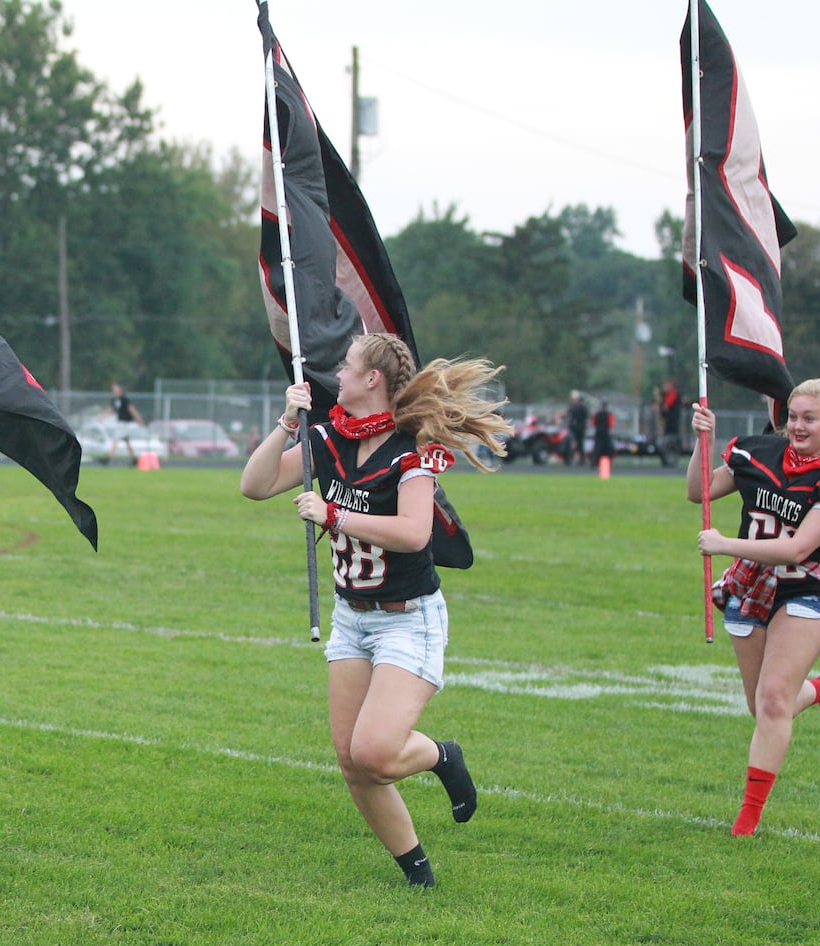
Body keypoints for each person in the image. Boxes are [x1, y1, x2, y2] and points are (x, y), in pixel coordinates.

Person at [240, 332, 511, 887]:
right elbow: (255, 484)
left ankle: (442, 757)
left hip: (408, 618)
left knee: (377, 753)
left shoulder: (411, 446)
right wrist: (287, 423)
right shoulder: (327, 437)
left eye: (348, 364)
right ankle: (418, 875)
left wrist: (335, 516)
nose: (337, 372)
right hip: (353, 617)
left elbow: (415, 534)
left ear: (373, 380)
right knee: (352, 761)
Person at [688, 381, 820, 837]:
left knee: (775, 700)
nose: (797, 426)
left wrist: (725, 544)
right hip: (751, 581)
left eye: (809, 418)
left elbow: (798, 550)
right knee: (761, 707)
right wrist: (702, 441)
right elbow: (698, 491)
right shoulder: (757, 449)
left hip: (808, 583)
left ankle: (748, 816)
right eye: (794, 416)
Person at [102, 383, 145, 465]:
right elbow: (112, 409)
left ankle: (107, 458)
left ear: (120, 390)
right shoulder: (116, 400)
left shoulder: (124, 400)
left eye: (115, 389)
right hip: (121, 423)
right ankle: (134, 460)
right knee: (127, 442)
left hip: (125, 423)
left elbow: (132, 410)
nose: (114, 391)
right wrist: (102, 416)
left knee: (115, 439)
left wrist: (139, 419)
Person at [657, 379, 684, 464]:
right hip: (669, 421)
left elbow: (666, 406)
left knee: (670, 437)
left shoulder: (673, 394)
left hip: (672, 422)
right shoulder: (667, 395)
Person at [563, 390, 589, 466]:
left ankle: (571, 458)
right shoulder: (584, 408)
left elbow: (567, 413)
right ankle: (581, 460)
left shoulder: (574, 407)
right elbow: (586, 418)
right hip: (580, 428)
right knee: (580, 445)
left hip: (574, 428)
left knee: (574, 444)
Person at [591, 399, 615, 470]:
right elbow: (611, 424)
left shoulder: (597, 414)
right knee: (608, 448)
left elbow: (594, 423)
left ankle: (593, 463)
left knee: (596, 448)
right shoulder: (609, 414)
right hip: (605, 432)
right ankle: (608, 463)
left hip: (598, 432)